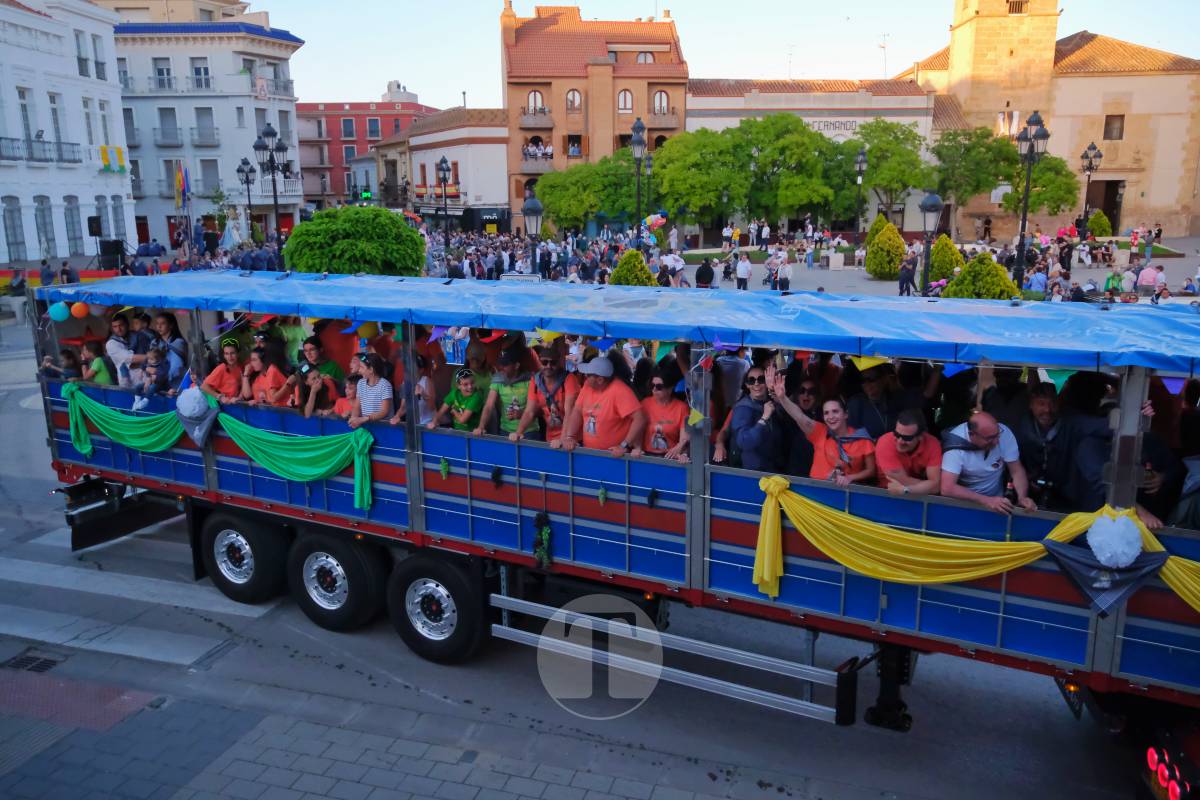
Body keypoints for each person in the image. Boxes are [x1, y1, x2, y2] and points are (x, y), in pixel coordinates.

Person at [769, 374, 875, 486]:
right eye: (826, 413)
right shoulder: (820, 432)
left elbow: (871, 471)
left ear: (846, 414)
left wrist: (850, 477)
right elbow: (799, 416)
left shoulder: (862, 438)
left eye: (835, 411)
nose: (831, 417)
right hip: (816, 492)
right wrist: (783, 398)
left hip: (847, 495)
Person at [939, 411, 1036, 514]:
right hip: (963, 504)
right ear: (971, 434)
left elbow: (1016, 471)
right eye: (990, 438)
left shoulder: (1004, 433)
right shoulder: (955, 446)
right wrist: (986, 500)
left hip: (997, 504)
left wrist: (1022, 497)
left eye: (997, 435)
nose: (996, 442)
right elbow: (947, 488)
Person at [556, 356, 645, 457]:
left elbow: (640, 418)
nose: (585, 376)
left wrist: (623, 445)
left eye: (588, 375)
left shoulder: (620, 390)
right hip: (589, 452)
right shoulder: (587, 386)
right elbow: (577, 411)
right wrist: (570, 436)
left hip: (613, 456)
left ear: (600, 379)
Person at [511, 344, 579, 445]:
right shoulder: (536, 381)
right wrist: (518, 432)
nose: (548, 366)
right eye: (544, 362)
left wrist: (563, 439)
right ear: (539, 361)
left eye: (553, 362)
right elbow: (529, 411)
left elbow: (569, 413)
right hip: (550, 437)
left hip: (572, 437)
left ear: (559, 362)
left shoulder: (569, 379)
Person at [875, 409, 942, 496]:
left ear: (921, 436)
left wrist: (906, 490)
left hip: (920, 497)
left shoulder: (933, 443)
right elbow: (903, 481)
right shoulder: (885, 442)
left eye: (906, 438)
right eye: (897, 434)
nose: (900, 441)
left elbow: (936, 487)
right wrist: (928, 485)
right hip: (885, 494)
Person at [477, 348, 532, 437]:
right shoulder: (498, 379)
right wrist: (481, 427)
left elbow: (536, 409)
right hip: (505, 431)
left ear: (516, 365)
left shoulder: (529, 381)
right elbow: (489, 405)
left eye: (505, 364)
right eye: (500, 364)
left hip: (528, 431)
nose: (501, 367)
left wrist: (522, 413)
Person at [639, 367, 689, 461]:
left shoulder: (681, 407)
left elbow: (684, 438)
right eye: (652, 385)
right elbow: (637, 430)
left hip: (670, 456)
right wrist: (637, 448)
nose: (654, 389)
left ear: (670, 389)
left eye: (659, 387)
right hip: (646, 455)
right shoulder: (645, 403)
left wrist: (680, 450)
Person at [348, 352, 392, 429]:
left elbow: (384, 411)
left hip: (383, 428)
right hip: (367, 426)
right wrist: (354, 417)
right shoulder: (361, 383)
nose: (359, 370)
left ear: (371, 370)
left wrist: (365, 418)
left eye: (362, 367)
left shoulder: (385, 385)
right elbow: (357, 406)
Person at [105, 313, 147, 389]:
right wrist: (150, 357)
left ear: (127, 324)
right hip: (127, 385)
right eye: (115, 327)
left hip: (145, 381)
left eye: (121, 325)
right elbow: (128, 358)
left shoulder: (139, 336)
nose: (118, 329)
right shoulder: (111, 343)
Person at [202, 339, 243, 403]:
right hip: (225, 406)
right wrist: (220, 397)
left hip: (237, 403)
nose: (230, 357)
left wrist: (239, 397)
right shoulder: (221, 368)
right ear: (224, 355)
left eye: (232, 353)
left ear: (238, 353)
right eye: (226, 354)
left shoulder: (240, 366)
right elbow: (204, 386)